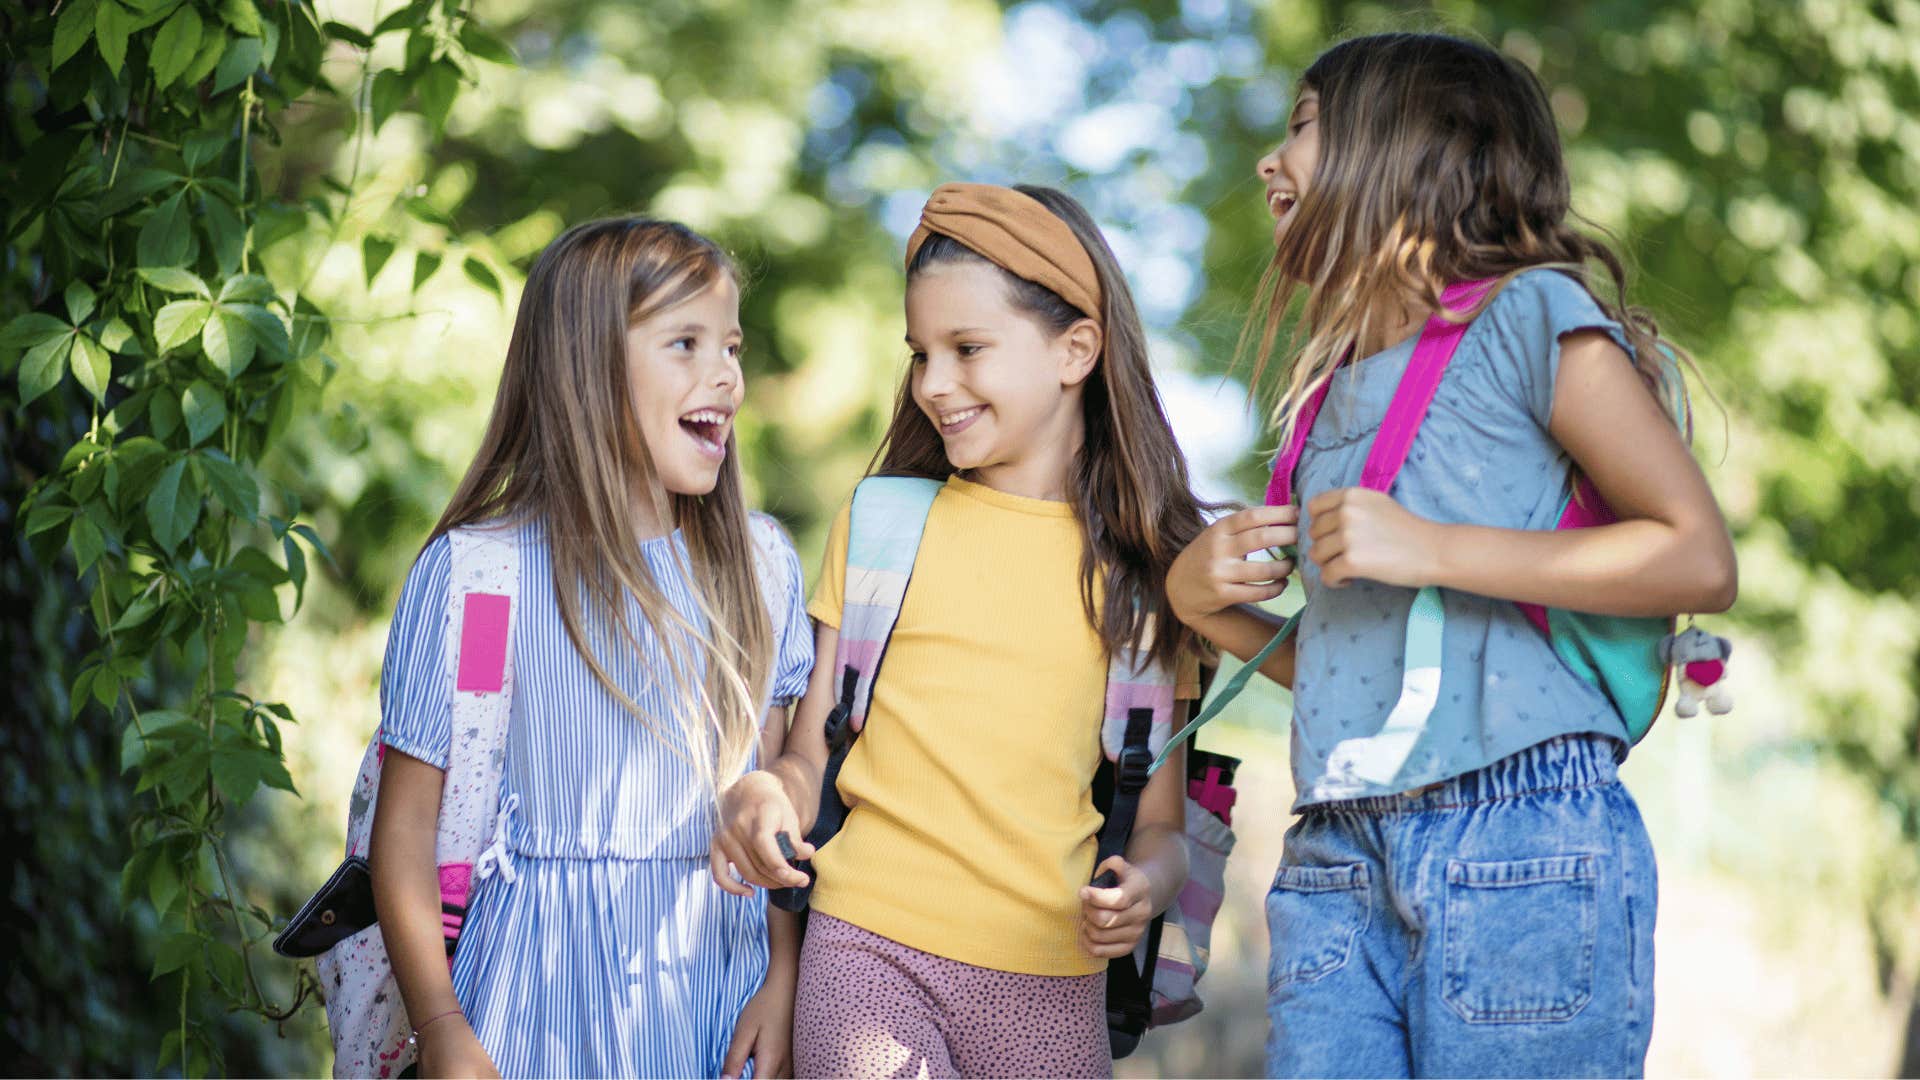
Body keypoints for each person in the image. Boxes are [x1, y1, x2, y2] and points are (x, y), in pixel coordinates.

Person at [1166, 33, 1738, 1078]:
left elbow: (1697, 555)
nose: (1270, 156)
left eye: (1304, 124)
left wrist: (1431, 546)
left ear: (1414, 148)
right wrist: (1204, 605)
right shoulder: (1326, 390)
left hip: (1524, 833)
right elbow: (1357, 669)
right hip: (1334, 851)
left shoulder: (1532, 318)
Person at [713, 183, 1209, 1077]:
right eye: (920, 354)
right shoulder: (882, 525)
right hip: (867, 955)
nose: (933, 384)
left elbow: (1162, 825)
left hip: (1055, 986)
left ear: (1076, 348)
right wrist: (766, 792)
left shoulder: (1150, 582)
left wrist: (1147, 888)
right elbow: (813, 752)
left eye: (967, 349)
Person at [368, 218, 813, 1078]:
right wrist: (443, 1027)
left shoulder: (758, 567)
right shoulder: (482, 575)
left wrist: (783, 978)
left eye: (731, 346)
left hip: (715, 995)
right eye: (685, 343)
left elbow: (777, 807)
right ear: (586, 366)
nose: (726, 374)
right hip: (531, 1005)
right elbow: (408, 828)